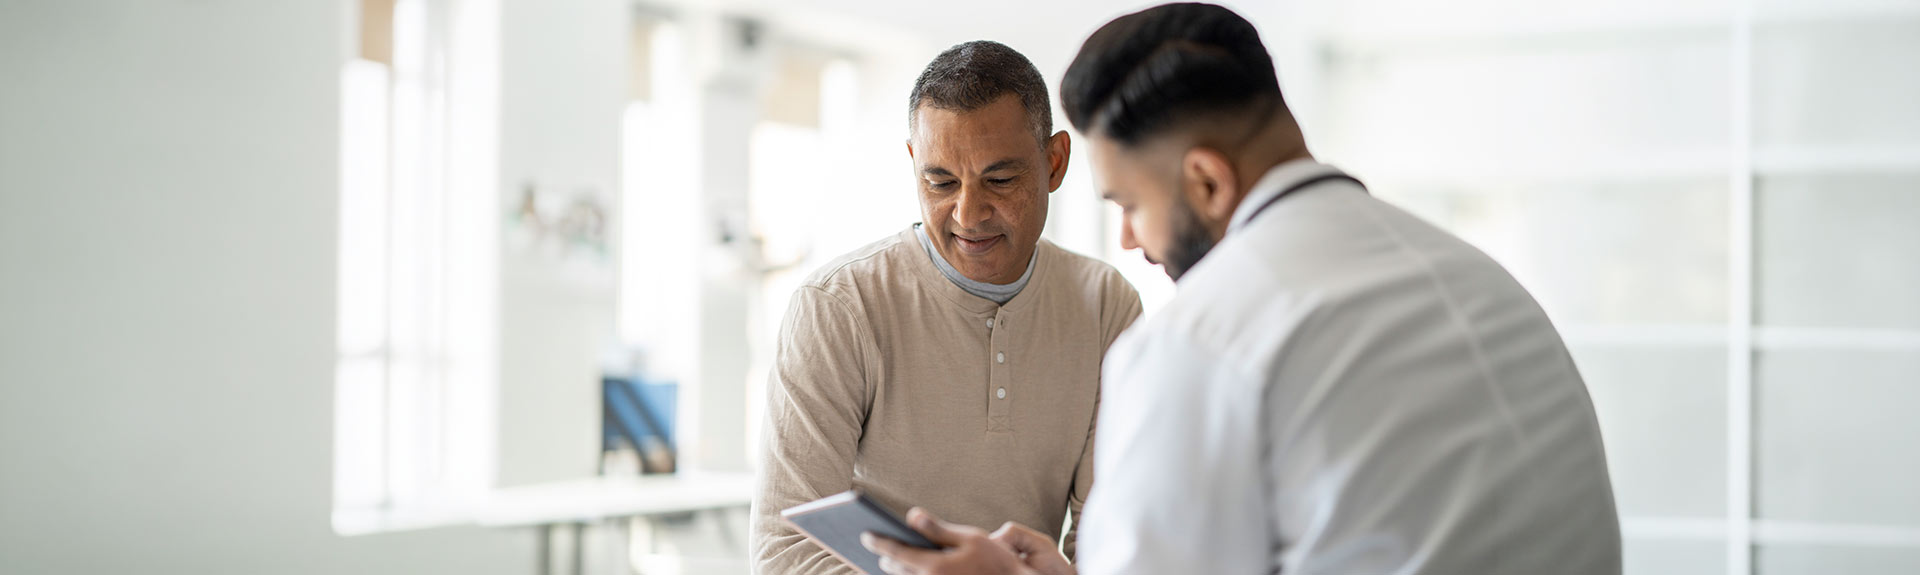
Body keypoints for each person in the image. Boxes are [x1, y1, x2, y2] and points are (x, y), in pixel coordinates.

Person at [863, 4, 1622, 574]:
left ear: (1206, 181)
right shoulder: (1485, 284)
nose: (1130, 239)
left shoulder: (1200, 339)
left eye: (1128, 205)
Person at [750, 40, 1144, 575]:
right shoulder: (837, 308)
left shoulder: (1105, 307)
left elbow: (1110, 540)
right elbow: (784, 552)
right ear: (914, 164)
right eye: (940, 182)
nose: (968, 213)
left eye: (999, 180)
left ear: (1054, 163)